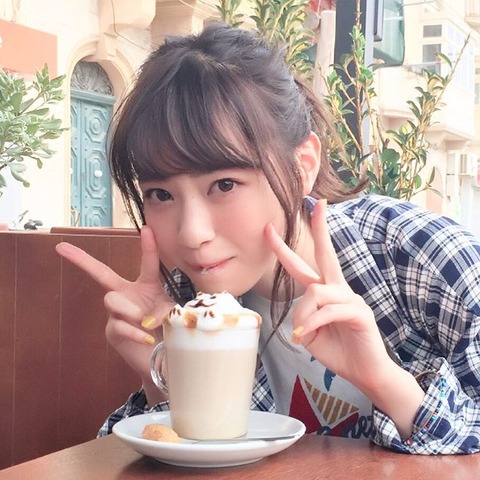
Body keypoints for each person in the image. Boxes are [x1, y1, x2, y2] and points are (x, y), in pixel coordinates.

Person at [56, 22, 480, 455]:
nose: (192, 234)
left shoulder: (417, 254)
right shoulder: (187, 306)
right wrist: (165, 378)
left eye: (224, 185)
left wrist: (384, 381)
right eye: (160, 194)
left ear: (302, 167)